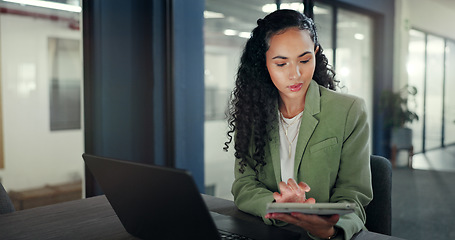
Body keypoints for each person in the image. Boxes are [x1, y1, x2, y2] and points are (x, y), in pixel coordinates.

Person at [224, 9, 373, 240]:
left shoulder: (349, 111)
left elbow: (353, 195)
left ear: (315, 53)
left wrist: (330, 228)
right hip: (267, 232)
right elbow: (244, 184)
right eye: (281, 64)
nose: (296, 74)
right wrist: (277, 206)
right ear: (264, 64)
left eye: (304, 60)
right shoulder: (254, 112)